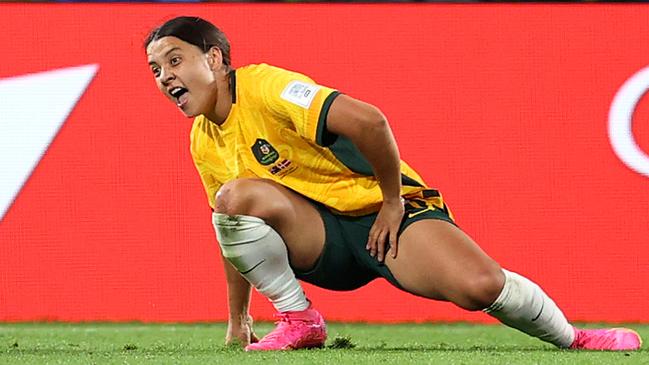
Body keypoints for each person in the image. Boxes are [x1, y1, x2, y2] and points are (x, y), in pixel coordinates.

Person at [144, 16, 642, 352]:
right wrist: (238, 319)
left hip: (390, 219)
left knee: (480, 286)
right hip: (321, 239)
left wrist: (389, 204)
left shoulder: (267, 87)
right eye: (155, 70)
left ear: (214, 59)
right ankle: (299, 321)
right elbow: (230, 229)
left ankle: (573, 338)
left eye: (174, 60)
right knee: (233, 199)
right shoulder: (202, 140)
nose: (165, 77)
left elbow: (370, 121)